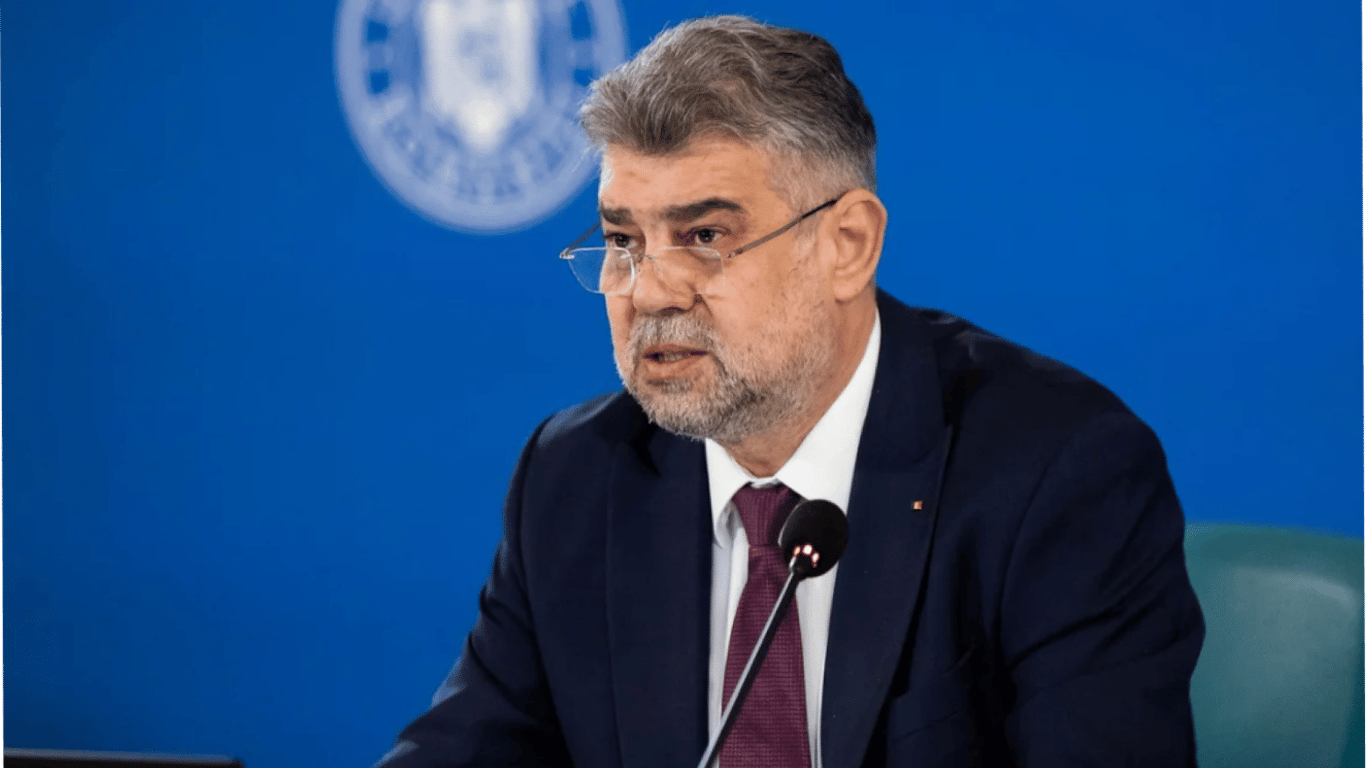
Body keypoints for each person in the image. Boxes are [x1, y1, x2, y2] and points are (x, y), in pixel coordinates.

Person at [374, 15, 1204, 768]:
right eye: (623, 240)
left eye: (704, 236)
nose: (650, 290)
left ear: (847, 245)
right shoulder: (576, 478)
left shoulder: (1056, 475)